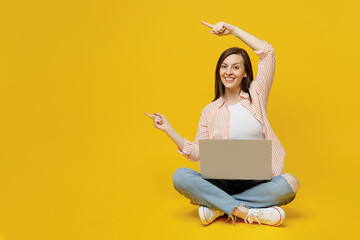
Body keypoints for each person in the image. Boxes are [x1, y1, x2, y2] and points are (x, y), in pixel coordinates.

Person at [145, 20, 300, 227]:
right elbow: (196, 152)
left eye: (236, 67)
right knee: (180, 176)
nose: (229, 72)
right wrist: (168, 130)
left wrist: (234, 30)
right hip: (220, 183)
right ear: (218, 71)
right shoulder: (209, 111)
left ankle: (218, 207)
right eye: (224, 66)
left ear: (245, 73)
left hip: (257, 181)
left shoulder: (256, 95)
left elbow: (268, 52)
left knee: (290, 183)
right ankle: (246, 212)